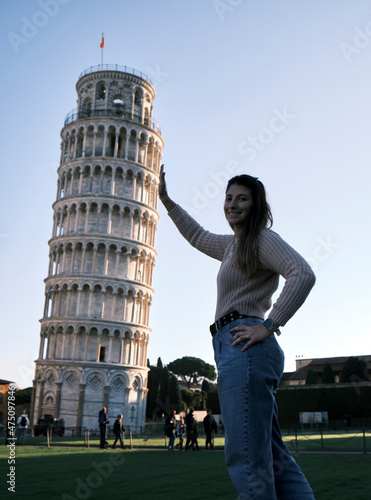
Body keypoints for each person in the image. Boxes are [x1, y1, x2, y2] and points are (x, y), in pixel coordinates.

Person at [159, 165, 316, 499]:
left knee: (246, 457)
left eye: (241, 198)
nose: (232, 204)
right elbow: (197, 235)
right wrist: (167, 201)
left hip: (245, 346)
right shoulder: (234, 246)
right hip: (239, 349)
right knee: (272, 456)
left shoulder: (261, 240)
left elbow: (302, 273)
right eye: (228, 198)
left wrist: (270, 325)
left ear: (255, 205)